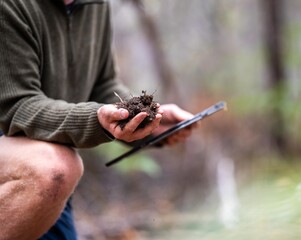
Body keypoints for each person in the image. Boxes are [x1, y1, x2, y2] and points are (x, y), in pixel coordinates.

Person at [0, 0, 196, 239]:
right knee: (56, 167)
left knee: (56, 170)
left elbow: (103, 85)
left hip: (47, 164)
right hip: (23, 156)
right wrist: (96, 119)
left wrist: (145, 120)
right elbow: (18, 105)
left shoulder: (94, 5)